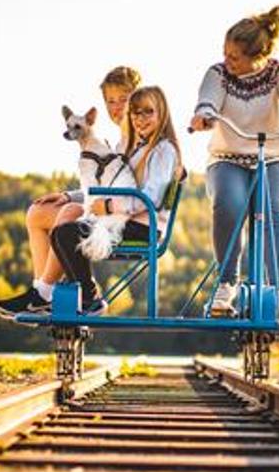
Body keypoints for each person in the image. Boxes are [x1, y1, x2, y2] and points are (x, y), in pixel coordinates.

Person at [188, 5, 279, 324]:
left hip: (273, 157)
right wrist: (203, 116)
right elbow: (208, 99)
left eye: (235, 57)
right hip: (227, 159)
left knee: (276, 211)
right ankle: (226, 285)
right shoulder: (218, 74)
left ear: (260, 55)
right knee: (229, 205)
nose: (228, 60)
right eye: (225, 53)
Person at [0, 66, 140, 317]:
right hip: (104, 206)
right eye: (110, 101)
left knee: (70, 212)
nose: (116, 107)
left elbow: (129, 195)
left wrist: (75, 202)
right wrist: (67, 195)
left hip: (124, 217)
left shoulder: (140, 142)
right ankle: (41, 291)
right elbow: (102, 187)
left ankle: (43, 293)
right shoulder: (118, 142)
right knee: (37, 213)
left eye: (123, 99)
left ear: (139, 98)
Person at [50, 85, 184, 314]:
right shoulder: (133, 147)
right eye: (135, 113)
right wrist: (71, 196)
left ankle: (89, 298)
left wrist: (109, 206)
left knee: (66, 234)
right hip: (123, 218)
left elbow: (150, 199)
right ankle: (82, 296)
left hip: (143, 226)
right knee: (59, 233)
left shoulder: (163, 151)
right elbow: (109, 184)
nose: (140, 119)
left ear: (161, 113)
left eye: (147, 112)